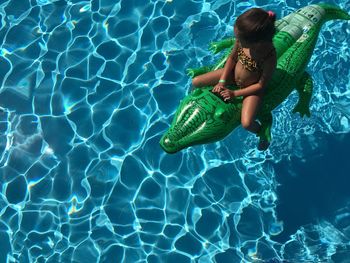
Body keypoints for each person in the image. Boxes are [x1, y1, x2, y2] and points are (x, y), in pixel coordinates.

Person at [192, 8, 277, 150]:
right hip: (232, 77)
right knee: (196, 81)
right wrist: (222, 81)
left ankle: (263, 132)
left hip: (251, 88)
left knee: (247, 123)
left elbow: (261, 85)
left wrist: (234, 94)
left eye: (240, 39)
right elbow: (231, 58)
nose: (237, 40)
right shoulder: (242, 41)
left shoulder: (269, 56)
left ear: (256, 42)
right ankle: (195, 102)